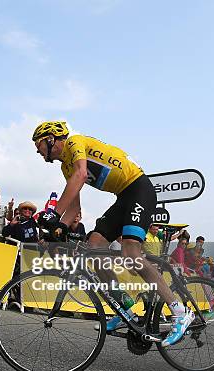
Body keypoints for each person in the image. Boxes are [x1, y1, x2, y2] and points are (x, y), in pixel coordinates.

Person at [31, 121, 193, 346]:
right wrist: (57, 229)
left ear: (50, 139)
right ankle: (126, 310)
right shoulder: (64, 167)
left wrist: (53, 214)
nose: (37, 151)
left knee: (131, 255)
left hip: (139, 188)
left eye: (38, 144)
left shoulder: (74, 143)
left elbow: (80, 175)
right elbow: (74, 210)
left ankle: (179, 312)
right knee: (95, 245)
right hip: (123, 197)